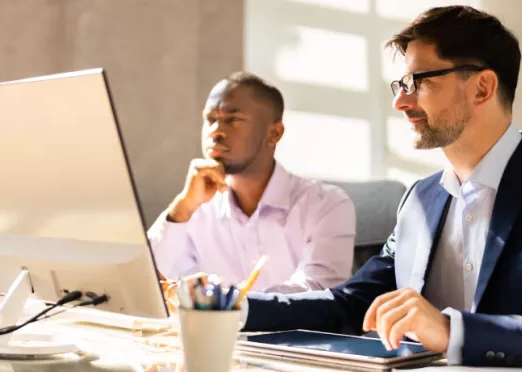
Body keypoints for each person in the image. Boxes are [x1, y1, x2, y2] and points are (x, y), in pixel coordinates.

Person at [241, 5, 522, 367]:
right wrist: (235, 306)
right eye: (402, 84)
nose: (400, 101)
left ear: (482, 87)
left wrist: (453, 331)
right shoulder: (420, 199)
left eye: (418, 82)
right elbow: (352, 303)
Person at [148, 72, 355, 294]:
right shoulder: (197, 209)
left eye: (233, 119)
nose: (215, 132)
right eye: (210, 119)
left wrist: (227, 303)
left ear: (274, 133)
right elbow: (148, 279)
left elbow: (318, 291)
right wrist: (182, 208)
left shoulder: (328, 205)